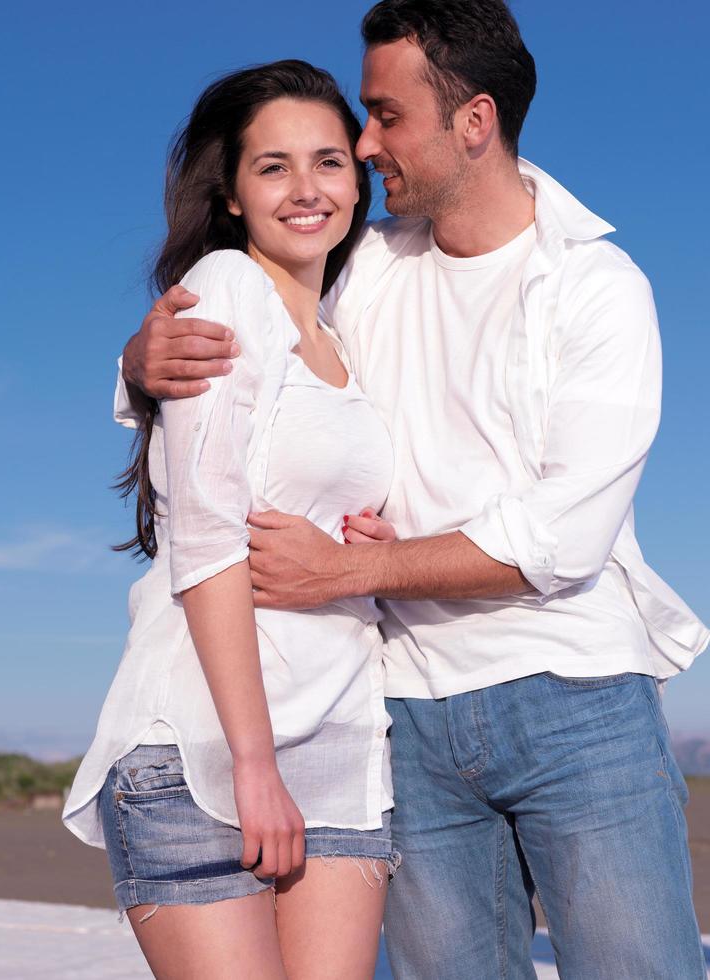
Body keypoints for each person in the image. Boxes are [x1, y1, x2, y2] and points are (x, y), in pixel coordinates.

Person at [120, 2, 709, 978]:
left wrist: (350, 567)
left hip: (576, 695)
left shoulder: (599, 288)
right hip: (406, 709)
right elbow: (258, 341)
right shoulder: (371, 269)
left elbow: (559, 537)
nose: (361, 143)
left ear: (473, 122)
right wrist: (142, 363)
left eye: (386, 115)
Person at [63, 61, 402, 980]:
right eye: (273, 167)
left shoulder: (343, 330)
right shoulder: (224, 290)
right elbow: (209, 541)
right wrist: (253, 766)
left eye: (330, 162)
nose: (307, 190)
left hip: (340, 749)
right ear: (231, 196)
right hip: (203, 748)